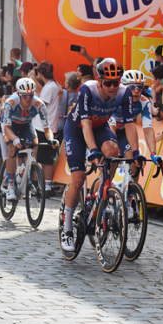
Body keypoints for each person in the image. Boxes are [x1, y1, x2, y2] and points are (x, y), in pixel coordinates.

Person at [60, 58, 141, 252]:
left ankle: (105, 190)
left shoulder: (124, 93)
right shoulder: (88, 89)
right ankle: (67, 226)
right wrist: (93, 150)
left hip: (100, 127)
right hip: (76, 130)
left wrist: (136, 151)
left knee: (113, 151)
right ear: (99, 81)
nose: (113, 87)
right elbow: (85, 123)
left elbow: (130, 124)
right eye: (109, 83)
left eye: (117, 82)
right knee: (78, 180)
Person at [1, 77, 59, 201]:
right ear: (18, 94)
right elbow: (6, 128)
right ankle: (11, 184)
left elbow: (47, 129)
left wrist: (51, 140)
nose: (28, 98)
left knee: (35, 145)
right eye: (25, 96)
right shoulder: (10, 103)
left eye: (31, 95)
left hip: (26, 126)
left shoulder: (39, 105)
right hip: (10, 128)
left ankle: (30, 176)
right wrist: (15, 139)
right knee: (12, 150)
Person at [112, 69, 162, 176]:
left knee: (135, 161)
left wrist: (153, 153)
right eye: (132, 87)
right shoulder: (115, 99)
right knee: (110, 169)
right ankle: (98, 191)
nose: (136, 91)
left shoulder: (144, 102)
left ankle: (130, 190)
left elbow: (148, 130)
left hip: (122, 131)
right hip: (107, 130)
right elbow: (110, 127)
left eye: (139, 87)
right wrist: (116, 149)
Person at [30, 61, 61, 198]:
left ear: (40, 73)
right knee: (43, 157)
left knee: (45, 158)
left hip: (44, 127)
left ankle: (47, 187)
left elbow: (42, 104)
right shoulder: (50, 86)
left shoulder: (50, 87)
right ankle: (44, 185)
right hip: (44, 125)